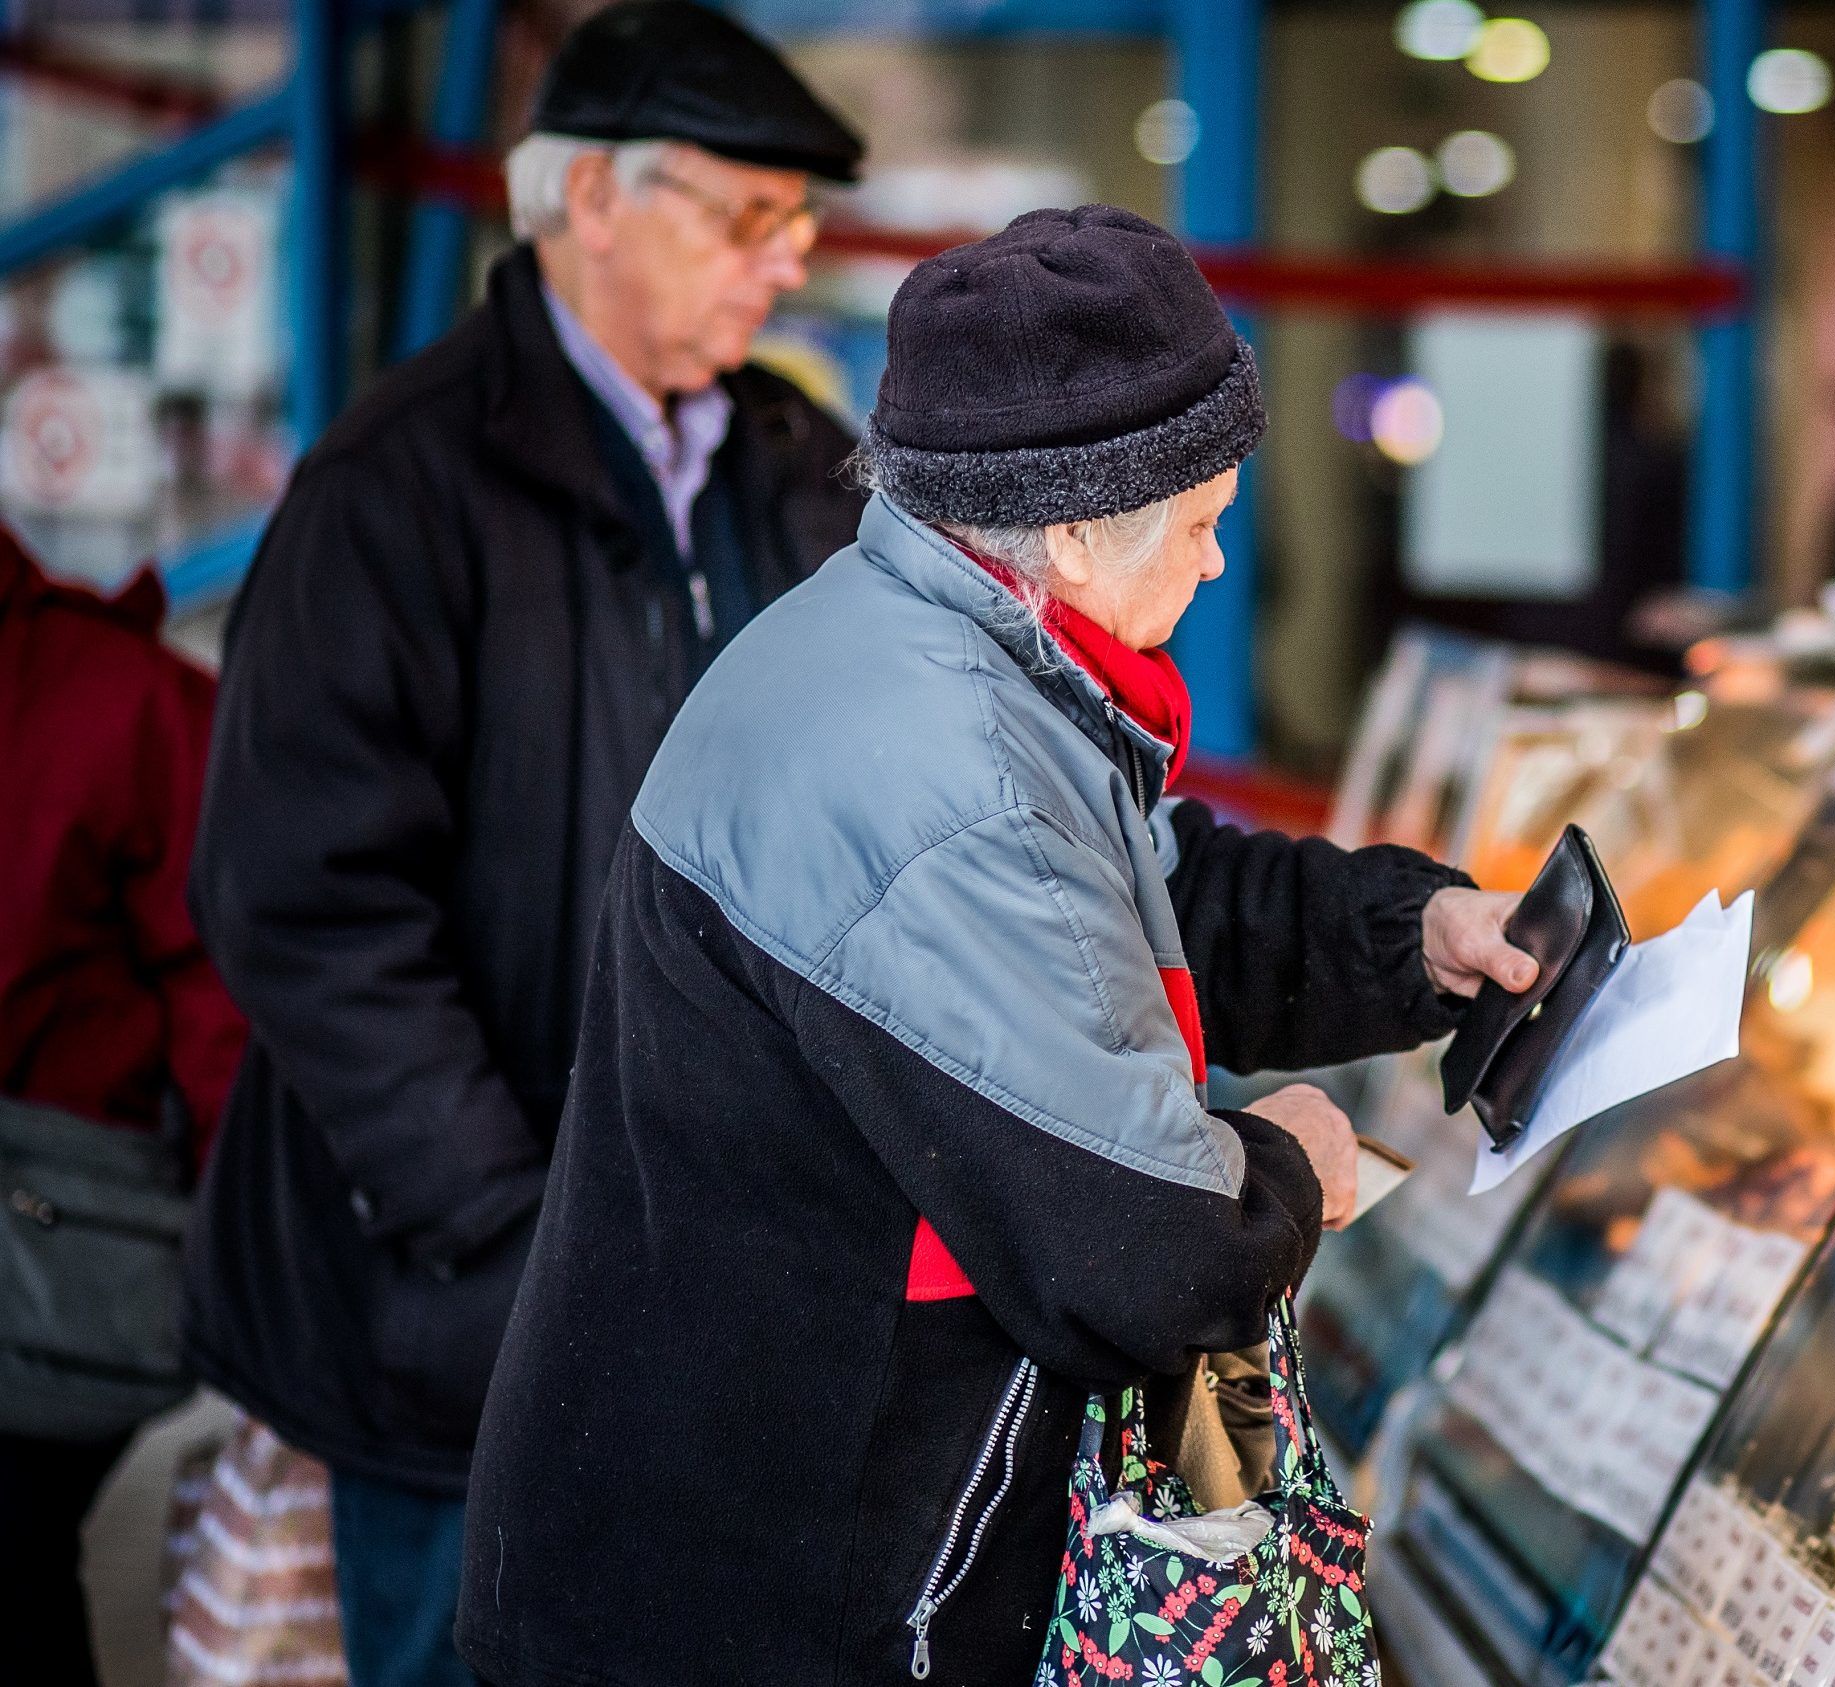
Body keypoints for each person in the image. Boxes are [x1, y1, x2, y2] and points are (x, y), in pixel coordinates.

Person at [456, 206, 1537, 1687]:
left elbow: (1144, 909)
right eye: (1206, 520)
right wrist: (1289, 1169)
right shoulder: (945, 776)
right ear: (1081, 529)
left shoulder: (936, 636)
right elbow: (1143, 1255)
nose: (1220, 566)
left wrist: (1410, 936)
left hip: (739, 1535)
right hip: (755, 1602)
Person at [181, 6, 866, 1683]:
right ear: (585, 202)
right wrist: (512, 1239)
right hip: (460, 1325)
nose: (782, 266)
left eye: (801, 224)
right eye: (743, 216)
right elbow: (305, 903)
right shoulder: (395, 486)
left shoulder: (794, 474)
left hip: (728, 1304)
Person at [0, 541, 245, 1686]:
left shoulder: (125, 702)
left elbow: (223, 1004)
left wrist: (236, 1244)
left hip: (58, 1260)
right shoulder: (132, 697)